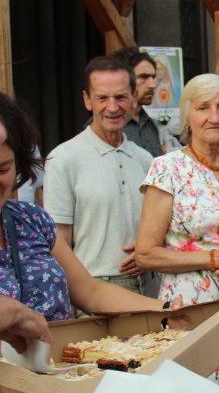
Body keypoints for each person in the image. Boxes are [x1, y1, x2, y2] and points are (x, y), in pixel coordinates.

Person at [0, 93, 182, 325]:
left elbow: (91, 293)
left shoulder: (30, 220)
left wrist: (166, 309)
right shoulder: (67, 157)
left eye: (2, 169)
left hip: (59, 358)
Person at [135, 74, 219, 334]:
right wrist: (213, 257)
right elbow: (145, 254)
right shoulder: (167, 169)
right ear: (187, 117)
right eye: (202, 107)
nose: (215, 117)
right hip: (192, 306)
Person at [44, 57, 154, 298]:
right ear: (87, 100)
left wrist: (149, 250)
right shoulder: (62, 159)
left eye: (121, 97)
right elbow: (58, 241)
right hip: (95, 288)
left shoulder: (146, 160)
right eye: (102, 98)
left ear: (134, 98)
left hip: (151, 282)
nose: (112, 107)